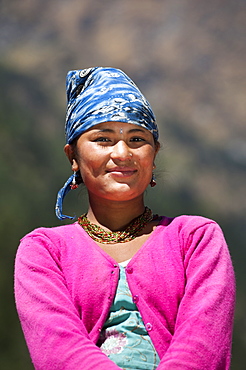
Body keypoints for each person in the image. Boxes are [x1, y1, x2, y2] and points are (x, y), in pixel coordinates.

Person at [14, 67, 235, 370]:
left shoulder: (196, 238)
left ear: (154, 154)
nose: (122, 153)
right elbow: (59, 351)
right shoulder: (43, 251)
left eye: (136, 139)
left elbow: (204, 346)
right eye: (103, 139)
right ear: (73, 158)